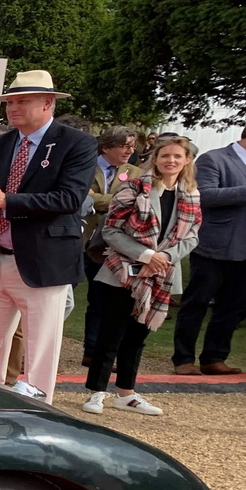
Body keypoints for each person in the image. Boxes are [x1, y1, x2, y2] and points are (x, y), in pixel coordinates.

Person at [0, 70, 96, 403]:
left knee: (40, 352)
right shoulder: (0, 144)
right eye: (10, 102)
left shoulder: (76, 144)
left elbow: (69, 199)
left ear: (48, 103)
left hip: (42, 262)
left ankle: (37, 416)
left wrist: (5, 200)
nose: (13, 108)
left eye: (22, 101)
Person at [82, 136, 202, 416]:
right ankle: (96, 392)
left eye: (177, 156)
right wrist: (146, 256)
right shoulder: (134, 187)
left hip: (161, 274)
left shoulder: (192, 194)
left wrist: (164, 259)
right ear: (156, 159)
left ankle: (126, 393)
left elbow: (192, 236)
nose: (170, 161)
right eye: (165, 156)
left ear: (186, 161)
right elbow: (111, 230)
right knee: (111, 333)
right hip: (123, 271)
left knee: (137, 337)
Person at [171, 118, 246, 375]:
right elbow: (205, 195)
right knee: (197, 302)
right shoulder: (214, 159)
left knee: (234, 306)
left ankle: (214, 357)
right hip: (216, 245)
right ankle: (183, 359)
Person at [79, 126, 140, 369]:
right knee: (62, 299)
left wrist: (96, 199)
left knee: (101, 300)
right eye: (125, 146)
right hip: (77, 239)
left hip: (107, 245)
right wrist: (108, 199)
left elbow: (130, 203)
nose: (130, 151)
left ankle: (93, 351)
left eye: (133, 146)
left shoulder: (135, 172)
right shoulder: (84, 165)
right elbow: (80, 196)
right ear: (106, 147)